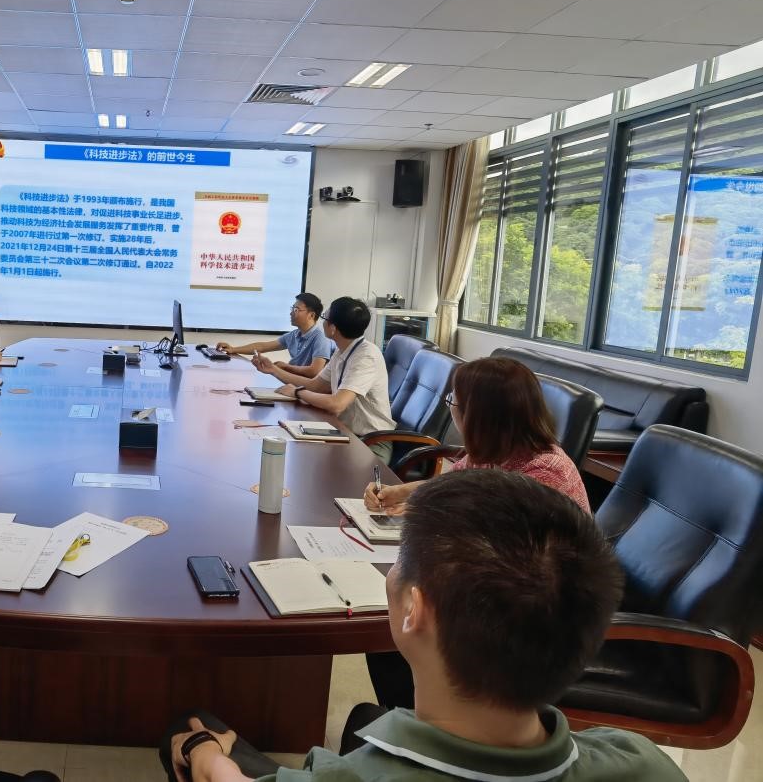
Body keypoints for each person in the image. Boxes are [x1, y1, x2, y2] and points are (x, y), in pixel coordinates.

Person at [160, 470, 687, 782]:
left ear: (416, 610)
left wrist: (204, 753)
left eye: (397, 564)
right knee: (365, 718)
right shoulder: (644, 763)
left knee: (188, 726)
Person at [364, 356, 589, 514]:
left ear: (478, 416)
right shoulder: (493, 449)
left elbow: (494, 533)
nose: (450, 406)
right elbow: (450, 485)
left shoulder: (545, 473)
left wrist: (426, 510)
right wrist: (398, 492)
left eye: (453, 400)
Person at [254, 296, 394, 459]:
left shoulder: (366, 357)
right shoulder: (343, 350)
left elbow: (337, 404)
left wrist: (297, 392)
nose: (322, 322)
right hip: (344, 431)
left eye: (324, 318)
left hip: (372, 441)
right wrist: (273, 370)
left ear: (333, 328)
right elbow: (316, 385)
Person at [215, 293, 332, 378]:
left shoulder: (321, 338)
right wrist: (233, 349)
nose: (291, 313)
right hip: (293, 383)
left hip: (309, 389)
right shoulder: (294, 335)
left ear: (311, 315)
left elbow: (314, 371)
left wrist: (285, 367)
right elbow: (262, 346)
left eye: (296, 310)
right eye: (292, 308)